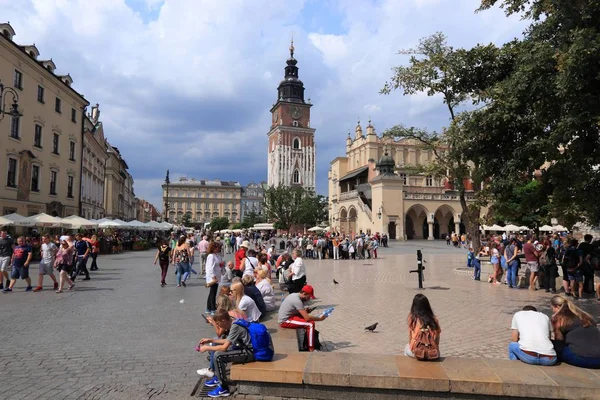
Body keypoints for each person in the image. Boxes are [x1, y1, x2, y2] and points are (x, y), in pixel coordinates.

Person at [196, 309, 254, 398]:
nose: (219, 326)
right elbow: (228, 340)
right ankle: (217, 377)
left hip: (249, 353)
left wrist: (207, 347)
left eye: (218, 324)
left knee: (218, 356)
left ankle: (224, 388)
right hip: (243, 349)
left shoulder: (235, 326)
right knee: (216, 344)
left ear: (223, 320)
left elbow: (224, 347)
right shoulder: (233, 321)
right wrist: (211, 340)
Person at [550, 295, 600, 368]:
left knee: (555, 347)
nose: (552, 311)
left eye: (552, 308)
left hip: (584, 359)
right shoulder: (585, 316)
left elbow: (559, 341)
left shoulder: (559, 319)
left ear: (557, 307)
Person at [278, 285, 325, 352]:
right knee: (310, 324)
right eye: (309, 296)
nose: (309, 299)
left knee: (307, 321)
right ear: (305, 293)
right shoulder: (297, 300)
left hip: (290, 316)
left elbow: (299, 311)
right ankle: (311, 348)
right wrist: (320, 318)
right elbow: (307, 318)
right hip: (285, 321)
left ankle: (308, 342)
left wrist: (306, 311)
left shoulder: (295, 295)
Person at [404, 294, 441, 359]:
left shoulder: (412, 318)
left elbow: (410, 336)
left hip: (417, 352)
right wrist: (436, 348)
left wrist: (411, 346)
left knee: (406, 348)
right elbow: (437, 339)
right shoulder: (434, 319)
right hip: (432, 354)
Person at [205, 241, 223, 314]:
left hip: (217, 276)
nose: (218, 248)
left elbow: (217, 264)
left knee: (212, 292)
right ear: (213, 248)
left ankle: (208, 308)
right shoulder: (211, 256)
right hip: (213, 277)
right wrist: (213, 277)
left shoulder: (217, 255)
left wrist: (221, 265)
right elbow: (209, 268)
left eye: (218, 247)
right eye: (216, 247)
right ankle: (212, 308)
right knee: (213, 293)